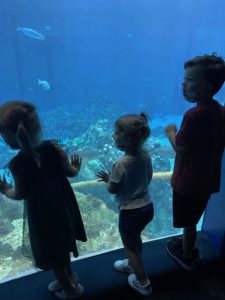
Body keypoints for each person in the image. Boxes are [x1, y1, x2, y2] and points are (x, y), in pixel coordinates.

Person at [0, 100, 87, 299]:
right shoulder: (54, 148)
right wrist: (77, 167)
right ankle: (70, 275)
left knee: (52, 252)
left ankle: (69, 289)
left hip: (41, 214)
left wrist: (5, 189)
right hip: (63, 205)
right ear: (38, 127)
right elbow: (71, 173)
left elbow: (19, 194)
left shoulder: (18, 164)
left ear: (8, 138)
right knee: (63, 242)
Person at [165, 54, 225, 271]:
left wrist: (170, 132)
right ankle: (187, 244)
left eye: (190, 79)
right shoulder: (220, 111)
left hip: (188, 182)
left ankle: (187, 256)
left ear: (207, 87)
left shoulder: (193, 115)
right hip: (207, 179)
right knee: (194, 215)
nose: (183, 83)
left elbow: (181, 148)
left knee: (188, 220)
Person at [98, 113, 153, 296]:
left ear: (128, 139)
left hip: (130, 212)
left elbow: (112, 189)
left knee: (130, 247)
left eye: (116, 133)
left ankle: (143, 282)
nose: (113, 135)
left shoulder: (119, 163)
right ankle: (132, 265)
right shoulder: (145, 156)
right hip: (147, 207)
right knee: (135, 239)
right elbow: (148, 178)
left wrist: (108, 180)